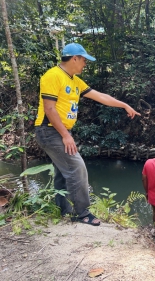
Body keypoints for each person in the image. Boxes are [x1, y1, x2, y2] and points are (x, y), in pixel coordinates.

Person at [34, 43, 140, 226]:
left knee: (63, 171)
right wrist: (66, 136)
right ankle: (81, 213)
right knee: (77, 167)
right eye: (84, 60)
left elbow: (101, 96)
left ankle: (63, 209)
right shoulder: (53, 76)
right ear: (74, 58)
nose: (85, 64)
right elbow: (49, 109)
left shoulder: (75, 80)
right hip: (49, 131)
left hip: (59, 131)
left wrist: (124, 104)